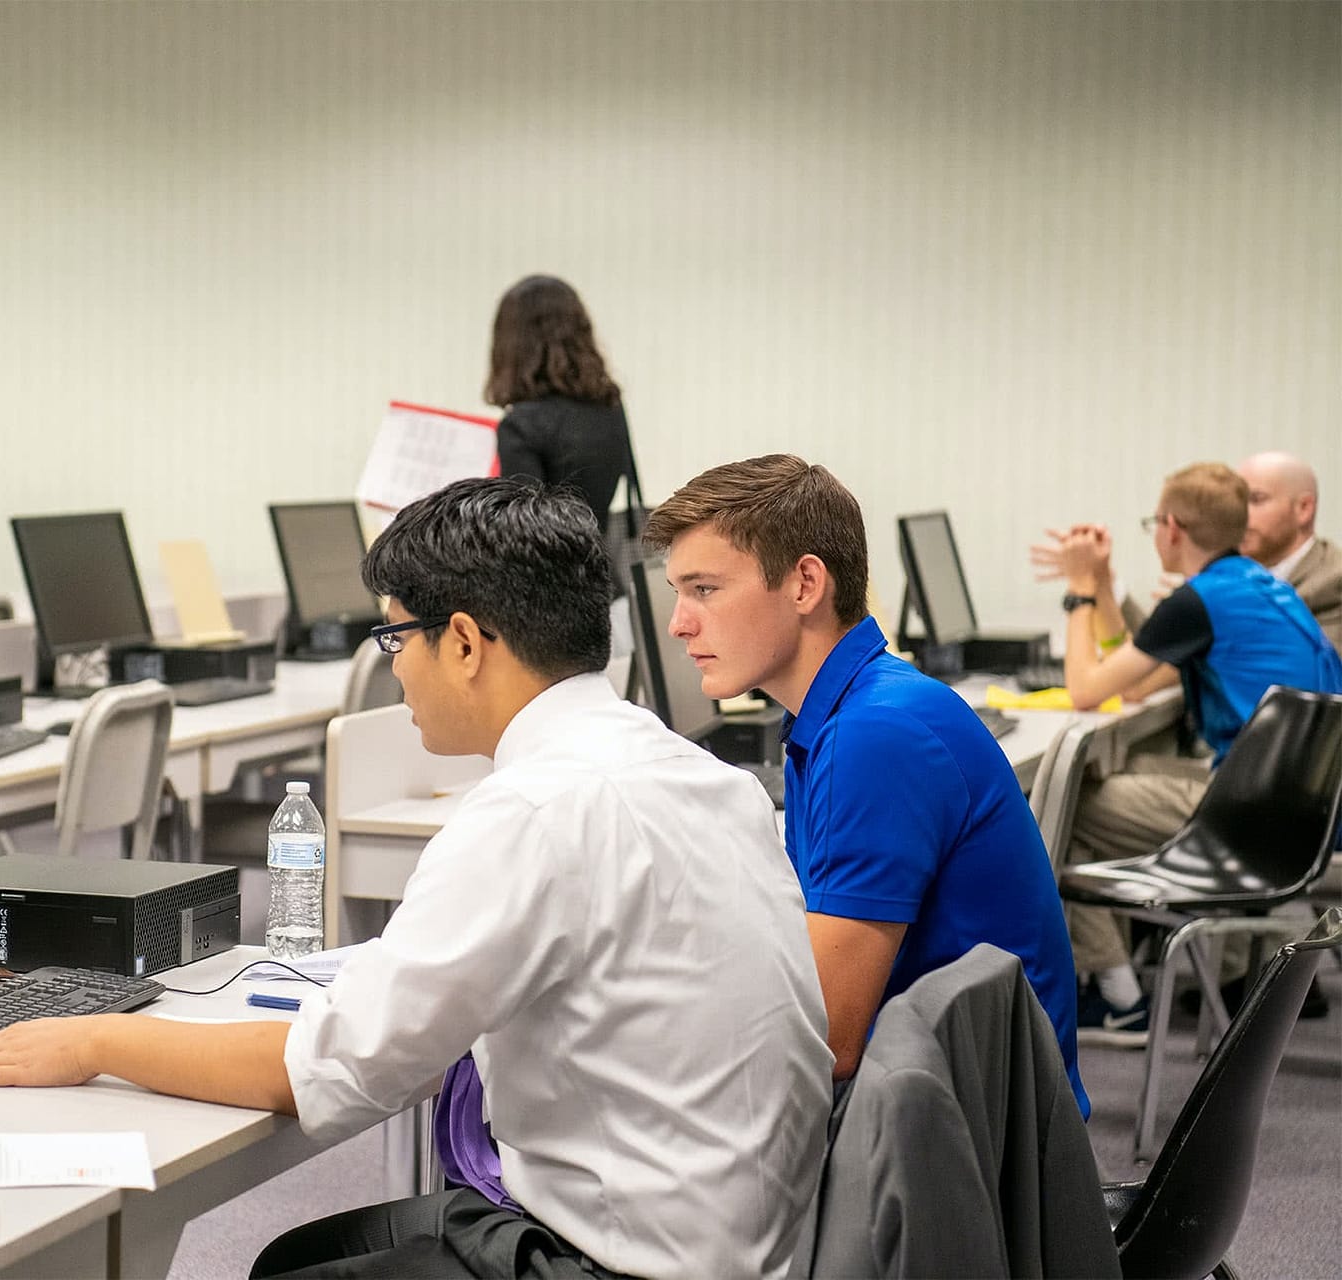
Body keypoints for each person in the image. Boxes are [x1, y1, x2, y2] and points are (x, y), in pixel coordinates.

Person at [0, 478, 834, 1279]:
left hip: (625, 1259)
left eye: (398, 640)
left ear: (466, 643)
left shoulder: (531, 814)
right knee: (299, 1256)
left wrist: (91, 1042)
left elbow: (326, 1073)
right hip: (742, 1238)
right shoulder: (697, 777)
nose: (396, 672)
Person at [641, 454, 1088, 1111]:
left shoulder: (874, 736)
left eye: (704, 589)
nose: (679, 622)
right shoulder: (858, 709)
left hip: (969, 1161)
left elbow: (826, 1043)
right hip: (957, 1118)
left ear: (804, 585)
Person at [1032, 462, 1342, 1039]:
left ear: (1171, 529)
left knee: (1064, 797)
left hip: (1258, 821)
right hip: (1301, 808)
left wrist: (1077, 592)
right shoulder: (1256, 584)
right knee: (1110, 776)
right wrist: (1102, 585)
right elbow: (1134, 680)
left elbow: (1085, 689)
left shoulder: (1200, 600)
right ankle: (1120, 982)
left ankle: (1118, 997)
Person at [486, 275, 638, 594]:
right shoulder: (611, 409)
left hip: (553, 599)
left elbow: (522, 534)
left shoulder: (521, 425)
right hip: (604, 586)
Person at [1237, 450, 1342, 647]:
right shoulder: (1231, 573)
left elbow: (1318, 672)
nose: (1239, 514)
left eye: (1256, 499)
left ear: (1304, 508)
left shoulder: (1334, 582)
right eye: (1237, 502)